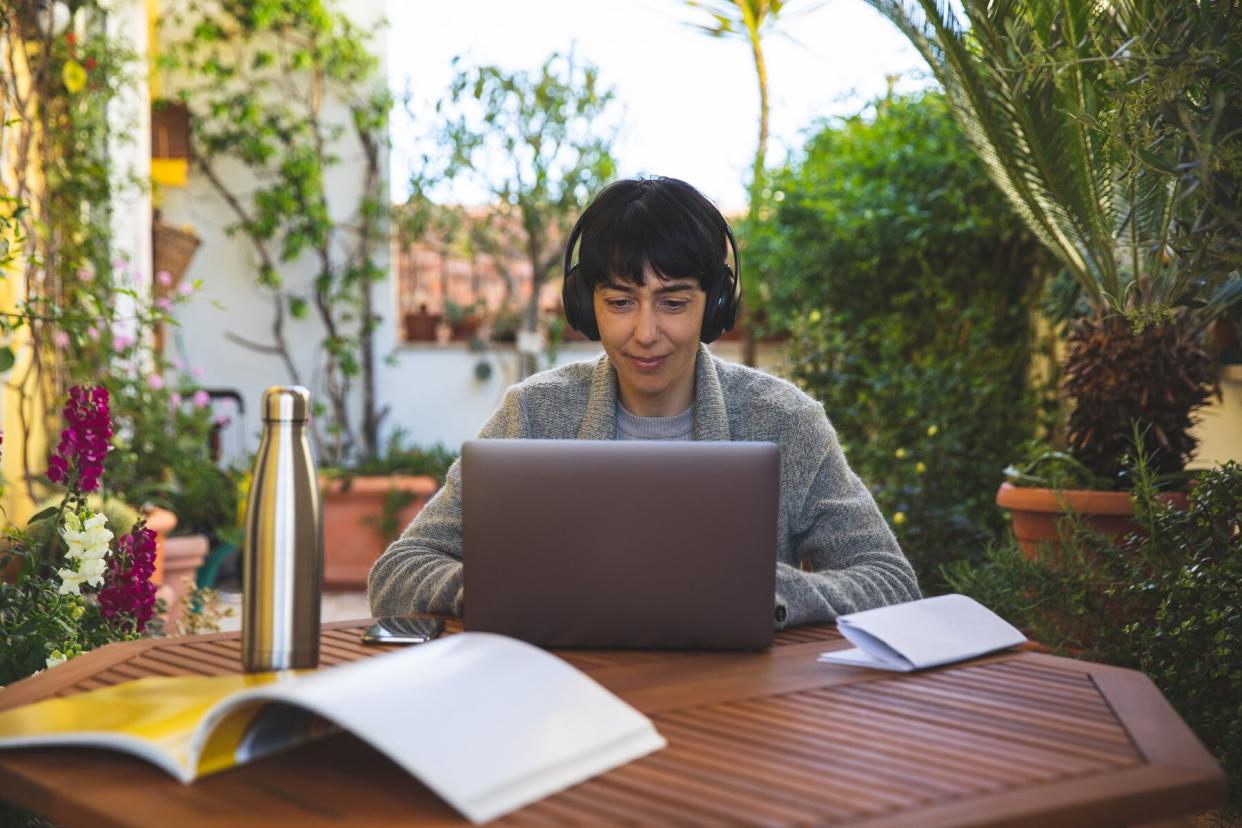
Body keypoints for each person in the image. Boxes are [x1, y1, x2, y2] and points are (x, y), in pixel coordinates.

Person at [368, 176, 920, 628]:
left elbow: (891, 580)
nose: (646, 332)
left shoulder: (784, 421)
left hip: (738, 710)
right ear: (588, 307)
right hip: (565, 702)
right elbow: (397, 571)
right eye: (620, 301)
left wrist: (768, 593)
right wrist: (496, 592)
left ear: (717, 304)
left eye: (674, 302)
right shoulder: (532, 414)